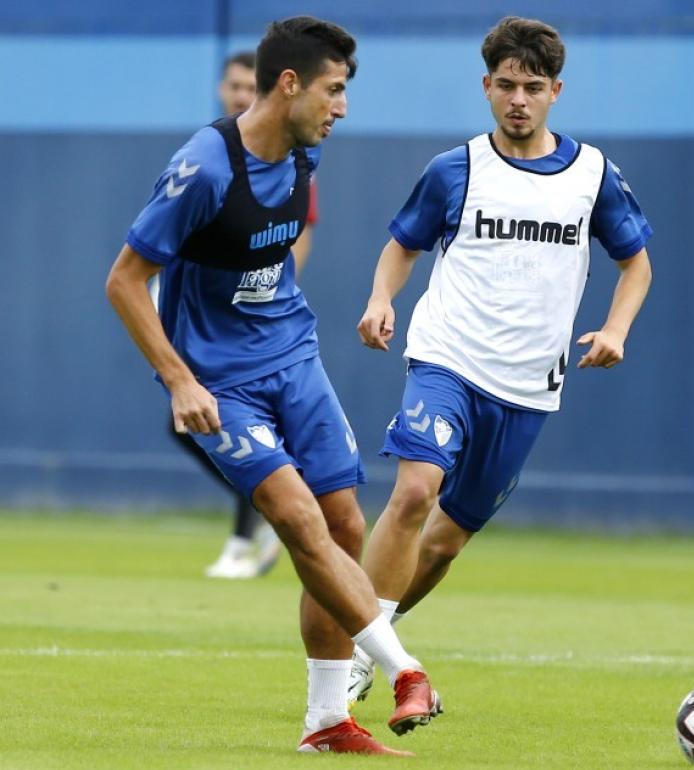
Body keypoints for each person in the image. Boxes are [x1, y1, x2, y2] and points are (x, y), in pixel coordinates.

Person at [105, 17, 439, 755]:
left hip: (293, 358)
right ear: (289, 85)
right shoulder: (204, 167)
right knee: (294, 516)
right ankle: (405, 670)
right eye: (335, 89)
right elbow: (125, 282)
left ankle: (326, 724)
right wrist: (179, 379)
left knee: (346, 526)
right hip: (222, 382)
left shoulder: (301, 156)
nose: (343, 107)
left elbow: (272, 260)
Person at [350, 16, 654, 703]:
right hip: (446, 358)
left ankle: (377, 636)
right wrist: (379, 299)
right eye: (507, 85)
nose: (519, 98)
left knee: (445, 544)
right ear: (487, 86)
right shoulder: (455, 169)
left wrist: (616, 328)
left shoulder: (592, 175)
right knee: (414, 491)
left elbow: (636, 265)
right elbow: (404, 244)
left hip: (526, 386)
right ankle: (357, 657)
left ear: (556, 92)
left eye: (533, 87)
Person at [187, 50, 321, 580]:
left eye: (249, 85)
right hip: (211, 318)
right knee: (194, 421)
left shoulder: (286, 153)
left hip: (261, 320)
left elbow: (299, 229)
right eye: (233, 85)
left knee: (236, 424)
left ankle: (255, 529)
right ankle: (267, 514)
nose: (241, 94)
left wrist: (276, 289)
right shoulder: (211, 152)